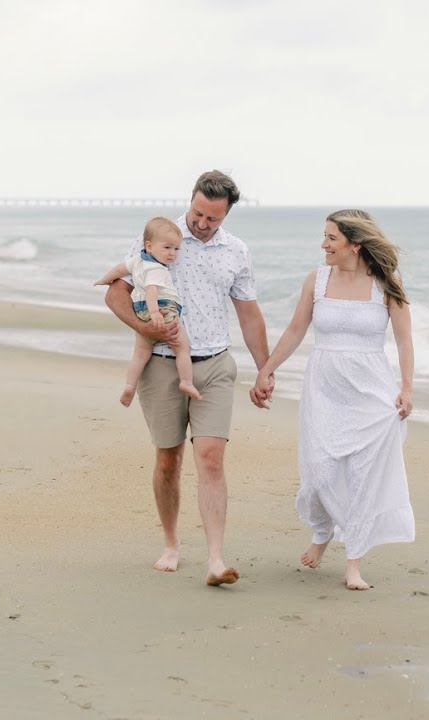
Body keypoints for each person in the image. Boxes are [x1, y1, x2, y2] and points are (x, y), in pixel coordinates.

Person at [104, 170, 270, 587]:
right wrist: (147, 329)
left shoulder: (236, 251)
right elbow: (115, 292)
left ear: (226, 214)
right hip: (161, 364)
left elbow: (249, 315)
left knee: (211, 457)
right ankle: (171, 544)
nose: (201, 223)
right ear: (191, 200)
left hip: (215, 364)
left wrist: (265, 369)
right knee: (168, 459)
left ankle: (215, 560)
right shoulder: (161, 237)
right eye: (197, 213)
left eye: (213, 218)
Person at [249, 209, 415, 590]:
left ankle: (354, 562)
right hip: (324, 388)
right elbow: (296, 330)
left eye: (331, 238)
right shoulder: (317, 280)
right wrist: (267, 370)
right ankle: (323, 531)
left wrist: (406, 388)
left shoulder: (386, 284)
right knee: (320, 471)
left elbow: (405, 340)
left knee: (362, 476)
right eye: (324, 236)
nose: (323, 244)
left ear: (354, 245)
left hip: (371, 392)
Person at [94, 217, 201, 407]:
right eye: (167, 247)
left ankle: (130, 386)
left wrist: (104, 279)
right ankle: (186, 382)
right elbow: (152, 289)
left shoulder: (137, 260)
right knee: (182, 347)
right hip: (162, 309)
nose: (172, 253)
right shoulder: (157, 268)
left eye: (176, 249)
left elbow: (119, 269)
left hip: (140, 311)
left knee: (141, 353)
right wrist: (156, 313)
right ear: (149, 246)